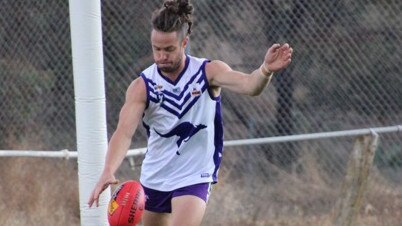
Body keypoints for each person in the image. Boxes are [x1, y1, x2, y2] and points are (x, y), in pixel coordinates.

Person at [88, 0, 293, 225]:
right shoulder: (142, 86)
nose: (161, 56)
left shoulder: (209, 72)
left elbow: (249, 85)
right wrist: (108, 169)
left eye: (169, 49)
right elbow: (124, 133)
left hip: (194, 175)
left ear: (184, 42)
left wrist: (265, 70)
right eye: (156, 49)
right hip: (155, 176)